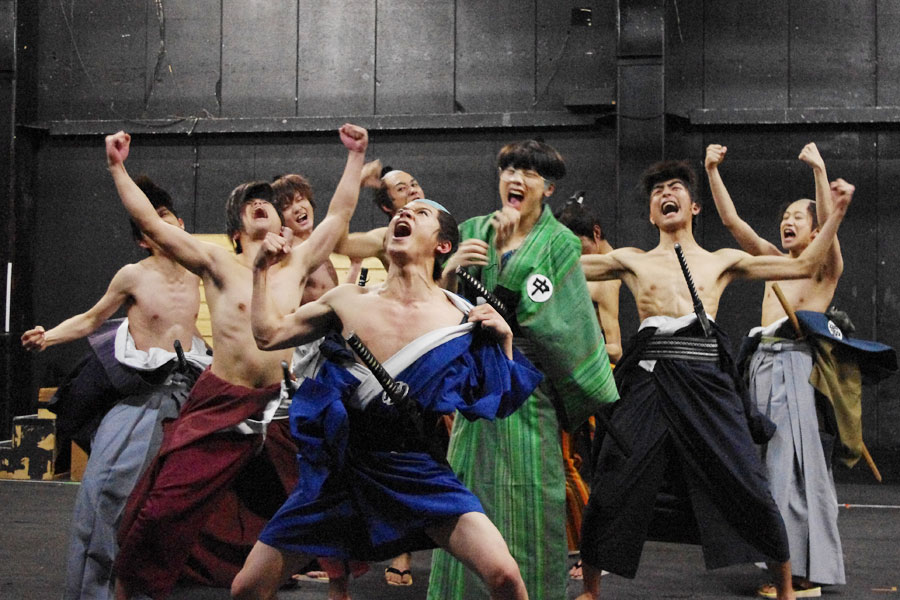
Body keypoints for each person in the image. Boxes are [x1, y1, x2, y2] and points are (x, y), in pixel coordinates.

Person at [105, 123, 369, 600]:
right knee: (165, 505)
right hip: (223, 400)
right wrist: (117, 167)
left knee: (322, 490)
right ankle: (126, 589)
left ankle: (339, 587)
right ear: (236, 231)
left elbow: (339, 214)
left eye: (266, 200)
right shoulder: (216, 263)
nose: (260, 203)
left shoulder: (298, 263)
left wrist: (355, 157)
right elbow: (152, 224)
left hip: (283, 401)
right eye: (250, 203)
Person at [232, 198, 543, 600]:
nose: (404, 214)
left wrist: (506, 340)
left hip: (415, 468)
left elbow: (500, 399)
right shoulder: (346, 299)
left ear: (443, 245)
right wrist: (260, 271)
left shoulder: (463, 319)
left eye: (421, 213)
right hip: (342, 468)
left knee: (504, 576)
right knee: (246, 588)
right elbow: (268, 335)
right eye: (401, 211)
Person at [575, 159, 853, 600]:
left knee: (749, 481)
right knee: (611, 481)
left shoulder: (722, 261)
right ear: (652, 215)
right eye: (657, 191)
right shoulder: (630, 260)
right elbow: (560, 269)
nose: (666, 193)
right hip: (649, 380)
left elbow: (804, 265)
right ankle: (591, 590)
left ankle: (785, 589)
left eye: (675, 187)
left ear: (694, 206)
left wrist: (835, 213)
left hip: (705, 380)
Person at [429, 140, 619, 600]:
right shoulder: (472, 230)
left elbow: (566, 323)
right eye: (509, 169)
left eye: (530, 172)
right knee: (469, 487)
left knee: (533, 492)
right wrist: (451, 271)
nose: (516, 178)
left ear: (548, 188)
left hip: (530, 386)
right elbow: (437, 305)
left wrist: (508, 313)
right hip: (476, 386)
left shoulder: (560, 242)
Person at [21, 176, 211, 600]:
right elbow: (92, 319)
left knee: (172, 503)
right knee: (106, 495)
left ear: (180, 223)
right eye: (150, 223)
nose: (161, 226)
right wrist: (47, 337)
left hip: (188, 397)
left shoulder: (199, 271)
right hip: (142, 400)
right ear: (144, 239)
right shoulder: (133, 276)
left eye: (166, 217)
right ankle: (93, 593)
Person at [706, 142, 844, 598]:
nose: (787, 221)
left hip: (793, 368)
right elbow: (732, 222)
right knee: (768, 469)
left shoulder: (823, 269)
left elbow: (830, 224)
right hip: (760, 367)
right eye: (784, 216)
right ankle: (783, 563)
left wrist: (819, 172)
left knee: (793, 467)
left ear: (815, 228)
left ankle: (803, 572)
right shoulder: (773, 262)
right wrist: (712, 170)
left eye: (797, 217)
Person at [333, 164, 426, 586]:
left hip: (438, 345)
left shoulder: (443, 229)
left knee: (435, 455)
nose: (413, 190)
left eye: (414, 183)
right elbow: (339, 241)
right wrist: (354, 179)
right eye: (402, 189)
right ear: (389, 206)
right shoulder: (384, 237)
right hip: (396, 348)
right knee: (396, 450)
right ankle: (399, 550)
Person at [555, 199, 623, 581]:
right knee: (572, 465)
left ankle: (592, 552)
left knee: (579, 467)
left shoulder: (605, 276)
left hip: (597, 379)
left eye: (576, 246)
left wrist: (574, 350)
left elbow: (615, 347)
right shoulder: (595, 268)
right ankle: (586, 549)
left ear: (595, 234)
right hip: (577, 377)